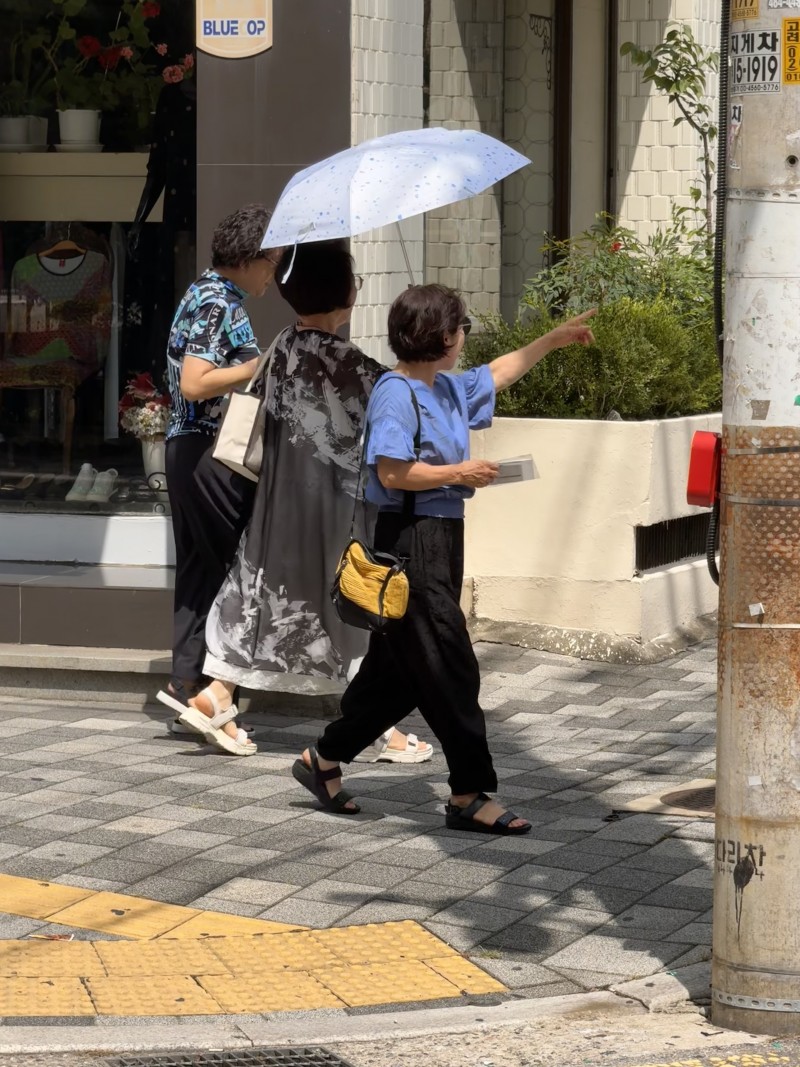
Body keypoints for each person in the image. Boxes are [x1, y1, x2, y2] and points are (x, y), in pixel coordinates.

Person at [292, 284, 596, 834]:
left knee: (403, 674)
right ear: (441, 335)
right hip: (409, 541)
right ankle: (468, 794)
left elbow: (498, 373)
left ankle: (324, 759)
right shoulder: (396, 393)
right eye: (461, 327)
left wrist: (551, 340)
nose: (464, 337)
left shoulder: (447, 388)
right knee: (451, 664)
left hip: (442, 538)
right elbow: (391, 472)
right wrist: (461, 473)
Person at [175, 239, 433, 765]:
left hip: (276, 501)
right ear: (347, 296)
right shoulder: (355, 367)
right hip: (333, 508)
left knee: (263, 596)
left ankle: (216, 694)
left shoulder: (281, 348)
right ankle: (378, 728)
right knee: (349, 604)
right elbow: (397, 411)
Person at [156, 203, 282, 751]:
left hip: (187, 451)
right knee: (238, 571)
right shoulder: (216, 300)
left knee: (201, 570)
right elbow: (194, 383)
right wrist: (261, 366)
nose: (273, 275)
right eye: (271, 263)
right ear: (250, 258)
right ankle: (216, 698)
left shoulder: (204, 292)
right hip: (208, 454)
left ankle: (189, 688)